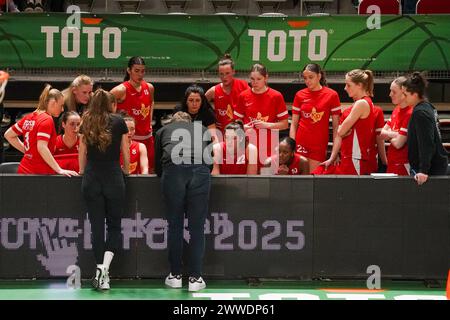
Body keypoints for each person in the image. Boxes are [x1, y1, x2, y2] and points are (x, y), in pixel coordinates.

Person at [154, 111, 213, 292]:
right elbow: (209, 162)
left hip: (173, 171)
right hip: (200, 171)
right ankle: (195, 278)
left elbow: (158, 164)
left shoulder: (163, 131)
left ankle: (175, 276)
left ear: (173, 122)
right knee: (197, 227)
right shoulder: (202, 129)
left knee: (175, 225)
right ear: (190, 122)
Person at [79, 89, 130, 290]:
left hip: (91, 177)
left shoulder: (86, 120)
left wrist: (82, 170)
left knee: (97, 226)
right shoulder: (118, 121)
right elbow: (124, 150)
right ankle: (104, 271)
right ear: (111, 104)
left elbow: (82, 150)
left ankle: (100, 269)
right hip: (113, 178)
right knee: (115, 226)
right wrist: (126, 169)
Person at [4, 84, 78, 176]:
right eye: (61, 105)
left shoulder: (29, 117)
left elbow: (8, 135)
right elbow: (42, 147)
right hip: (39, 173)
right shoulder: (47, 119)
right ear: (53, 103)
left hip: (24, 170)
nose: (62, 109)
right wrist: (59, 170)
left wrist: (28, 151)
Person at [317, 69, 375, 175]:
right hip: (349, 156)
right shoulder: (360, 103)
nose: (345, 88)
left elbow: (341, 131)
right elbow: (341, 133)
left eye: (348, 85)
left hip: (355, 157)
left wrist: (342, 130)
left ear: (359, 85)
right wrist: (332, 158)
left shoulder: (361, 103)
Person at [234, 63, 289, 169]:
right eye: (252, 79)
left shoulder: (276, 96)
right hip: (247, 145)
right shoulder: (243, 96)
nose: (254, 82)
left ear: (266, 78)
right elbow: (235, 123)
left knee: (266, 180)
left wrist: (266, 124)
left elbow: (285, 124)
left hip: (269, 147)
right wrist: (242, 127)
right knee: (248, 180)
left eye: (258, 79)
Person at [289, 64, 341, 173]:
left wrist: (335, 153)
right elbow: (293, 124)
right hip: (300, 142)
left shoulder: (332, 95)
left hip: (319, 144)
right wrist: (291, 146)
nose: (307, 81)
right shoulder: (299, 95)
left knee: (313, 178)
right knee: (299, 179)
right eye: (305, 78)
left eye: (311, 77)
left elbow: (337, 128)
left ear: (319, 76)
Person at [111, 56, 155, 173]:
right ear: (129, 70)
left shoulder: (149, 88)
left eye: (142, 71)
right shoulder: (120, 90)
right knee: (126, 172)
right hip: (129, 139)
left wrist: (149, 122)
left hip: (147, 138)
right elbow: (105, 107)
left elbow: (151, 103)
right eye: (136, 71)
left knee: (149, 171)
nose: (140, 74)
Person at [402, 72, 448, 185]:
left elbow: (426, 142)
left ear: (415, 94)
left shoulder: (420, 113)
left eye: (405, 94)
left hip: (430, 172)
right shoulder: (428, 107)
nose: (403, 98)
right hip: (435, 167)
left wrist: (423, 170)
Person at [205, 54, 249, 132]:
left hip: (241, 133)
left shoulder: (243, 86)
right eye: (221, 74)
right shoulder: (213, 90)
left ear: (233, 72)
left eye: (227, 73)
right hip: (222, 134)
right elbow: (200, 104)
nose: (224, 77)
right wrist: (211, 119)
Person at [380, 77, 413, 176]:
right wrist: (396, 134)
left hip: (403, 165)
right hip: (392, 163)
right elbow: (381, 134)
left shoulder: (410, 113)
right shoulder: (396, 110)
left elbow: (399, 144)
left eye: (394, 92)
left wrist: (389, 135)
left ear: (404, 92)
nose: (390, 94)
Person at [367, 105, 387, 173]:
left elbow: (379, 137)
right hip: (368, 160)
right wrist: (385, 162)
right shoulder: (376, 110)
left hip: (370, 160)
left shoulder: (377, 111)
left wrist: (384, 162)